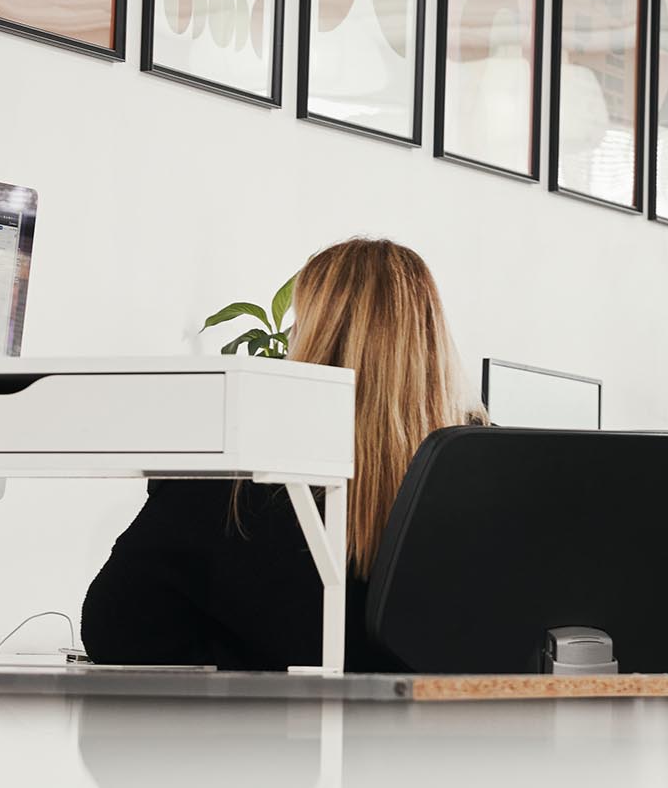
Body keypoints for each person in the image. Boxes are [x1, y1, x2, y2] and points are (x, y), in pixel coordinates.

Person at [80, 238, 484, 670]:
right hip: (458, 731)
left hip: (270, 731)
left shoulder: (243, 475)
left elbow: (116, 631)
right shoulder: (482, 472)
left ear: (314, 336)